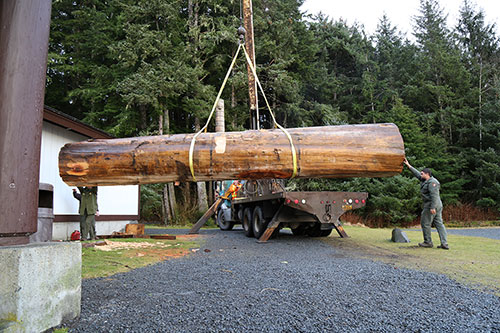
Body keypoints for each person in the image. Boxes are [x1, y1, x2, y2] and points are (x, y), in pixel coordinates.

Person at [404, 158, 449, 249]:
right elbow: (417, 174)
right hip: (436, 205)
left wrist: (432, 207)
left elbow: (434, 196)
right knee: (439, 223)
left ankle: (428, 242)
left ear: (427, 174)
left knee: (425, 223)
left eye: (422, 173)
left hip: (432, 205)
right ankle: (444, 244)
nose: (420, 175)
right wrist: (409, 165)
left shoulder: (433, 183)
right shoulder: (426, 180)